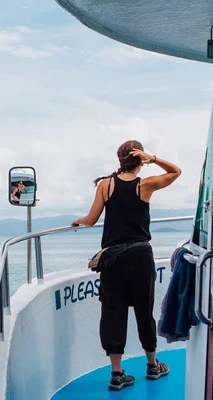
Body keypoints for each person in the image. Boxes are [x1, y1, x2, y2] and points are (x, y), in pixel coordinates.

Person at [71, 140, 182, 391]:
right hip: (141, 256)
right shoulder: (145, 185)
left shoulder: (106, 185)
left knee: (113, 311)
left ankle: (117, 374)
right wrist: (153, 158)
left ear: (119, 159)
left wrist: (77, 221)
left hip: (113, 259)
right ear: (140, 160)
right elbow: (176, 172)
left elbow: (90, 220)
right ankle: (153, 366)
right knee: (145, 310)